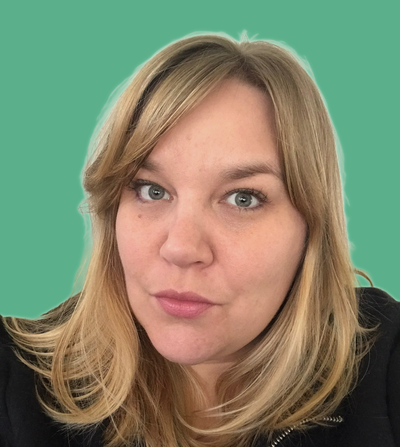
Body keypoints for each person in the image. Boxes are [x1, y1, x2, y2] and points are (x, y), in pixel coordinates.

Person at [0, 33, 399, 447]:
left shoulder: (385, 364)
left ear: (310, 226)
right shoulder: (16, 380)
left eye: (243, 198)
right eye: (152, 190)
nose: (181, 248)